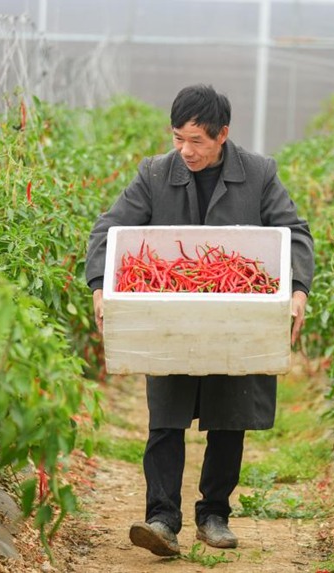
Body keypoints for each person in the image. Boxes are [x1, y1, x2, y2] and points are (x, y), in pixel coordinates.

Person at [84, 84, 314, 557]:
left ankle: (214, 514)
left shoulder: (258, 174)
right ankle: (162, 519)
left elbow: (292, 233)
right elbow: (110, 228)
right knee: (165, 416)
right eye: (177, 139)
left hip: (236, 313)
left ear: (222, 135)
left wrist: (297, 291)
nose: (185, 151)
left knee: (229, 414)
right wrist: (99, 285)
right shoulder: (154, 174)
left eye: (197, 141)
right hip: (171, 314)